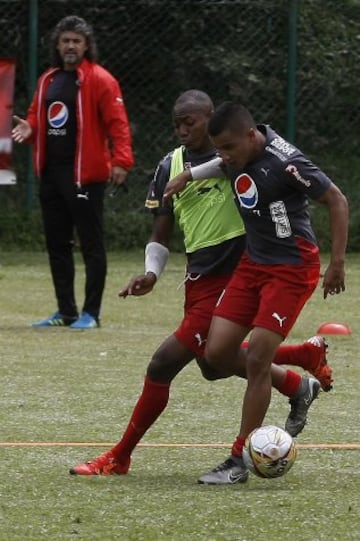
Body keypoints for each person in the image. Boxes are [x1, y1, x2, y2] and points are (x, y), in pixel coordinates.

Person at [70, 90, 333, 480]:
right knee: (214, 365)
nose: (182, 130)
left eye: (190, 122)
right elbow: (161, 231)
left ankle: (120, 457)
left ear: (212, 121)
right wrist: (152, 272)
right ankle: (297, 375)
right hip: (199, 281)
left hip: (239, 275)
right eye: (177, 123)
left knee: (163, 364)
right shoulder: (168, 166)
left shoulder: (235, 157)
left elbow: (278, 181)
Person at [163, 101, 348, 484]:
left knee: (258, 359)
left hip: (291, 269)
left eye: (229, 149)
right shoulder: (236, 151)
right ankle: (299, 388)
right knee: (216, 354)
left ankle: (237, 461)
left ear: (251, 136)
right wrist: (190, 175)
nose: (225, 158)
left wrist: (337, 263)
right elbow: (223, 161)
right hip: (253, 264)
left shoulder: (286, 162)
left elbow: (337, 200)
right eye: (220, 151)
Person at [12, 15, 134, 329]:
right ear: (57, 44)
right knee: (57, 244)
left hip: (85, 175)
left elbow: (117, 123)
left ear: (85, 46)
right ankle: (65, 311)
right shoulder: (48, 79)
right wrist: (31, 127)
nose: (70, 46)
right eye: (65, 40)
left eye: (76, 41)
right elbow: (37, 117)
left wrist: (122, 160)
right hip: (51, 174)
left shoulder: (100, 79)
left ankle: (90, 313)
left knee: (91, 244)